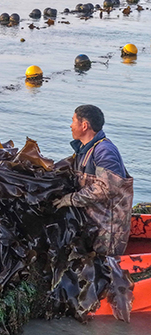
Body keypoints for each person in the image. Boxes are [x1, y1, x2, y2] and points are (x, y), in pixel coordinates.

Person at [54, 104, 133, 256]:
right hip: (90, 224)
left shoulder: (104, 151)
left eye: (73, 120)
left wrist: (70, 199)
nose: (70, 125)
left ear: (84, 125)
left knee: (101, 267)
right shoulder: (83, 151)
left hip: (107, 230)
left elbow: (106, 188)